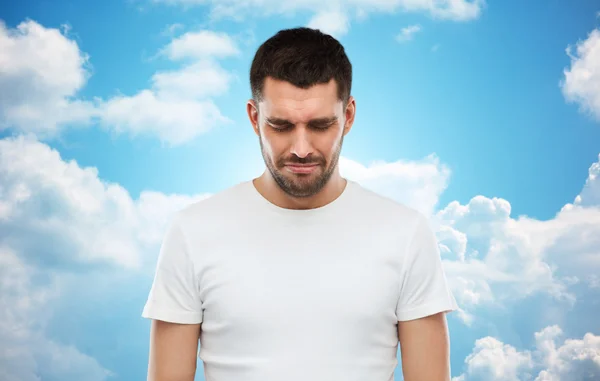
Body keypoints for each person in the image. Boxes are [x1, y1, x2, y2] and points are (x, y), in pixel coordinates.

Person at [141, 26, 458, 381]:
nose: (301, 148)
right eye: (281, 125)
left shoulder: (406, 233)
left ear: (348, 117)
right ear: (254, 118)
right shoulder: (193, 231)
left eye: (321, 125)